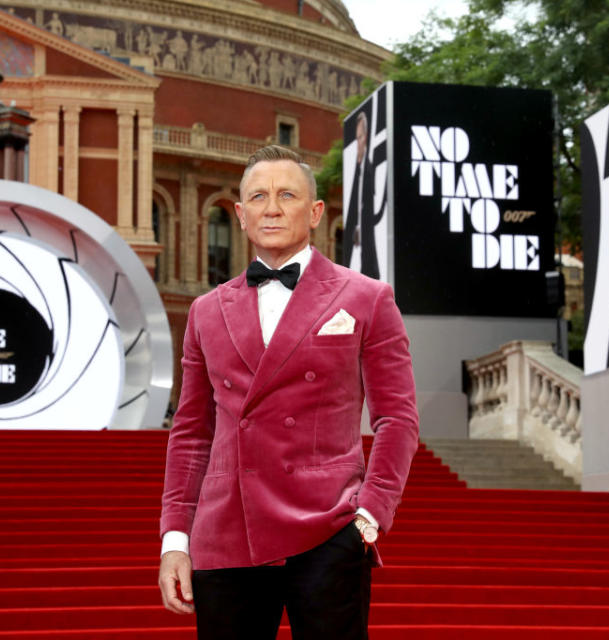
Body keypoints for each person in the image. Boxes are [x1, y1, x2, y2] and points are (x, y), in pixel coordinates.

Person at [158, 145, 419, 640]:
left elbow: (397, 419)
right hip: (226, 534)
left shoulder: (367, 298)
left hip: (328, 530)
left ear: (315, 212)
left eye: (286, 195)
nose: (271, 208)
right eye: (257, 196)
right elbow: (191, 434)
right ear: (239, 214)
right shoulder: (205, 311)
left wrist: (369, 516)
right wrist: (175, 537)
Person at [342, 111, 383, 279]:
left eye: (360, 138)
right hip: (357, 240)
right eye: (356, 138)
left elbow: (374, 204)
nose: (358, 143)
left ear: (366, 138)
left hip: (367, 240)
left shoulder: (370, 168)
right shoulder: (357, 169)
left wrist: (365, 224)